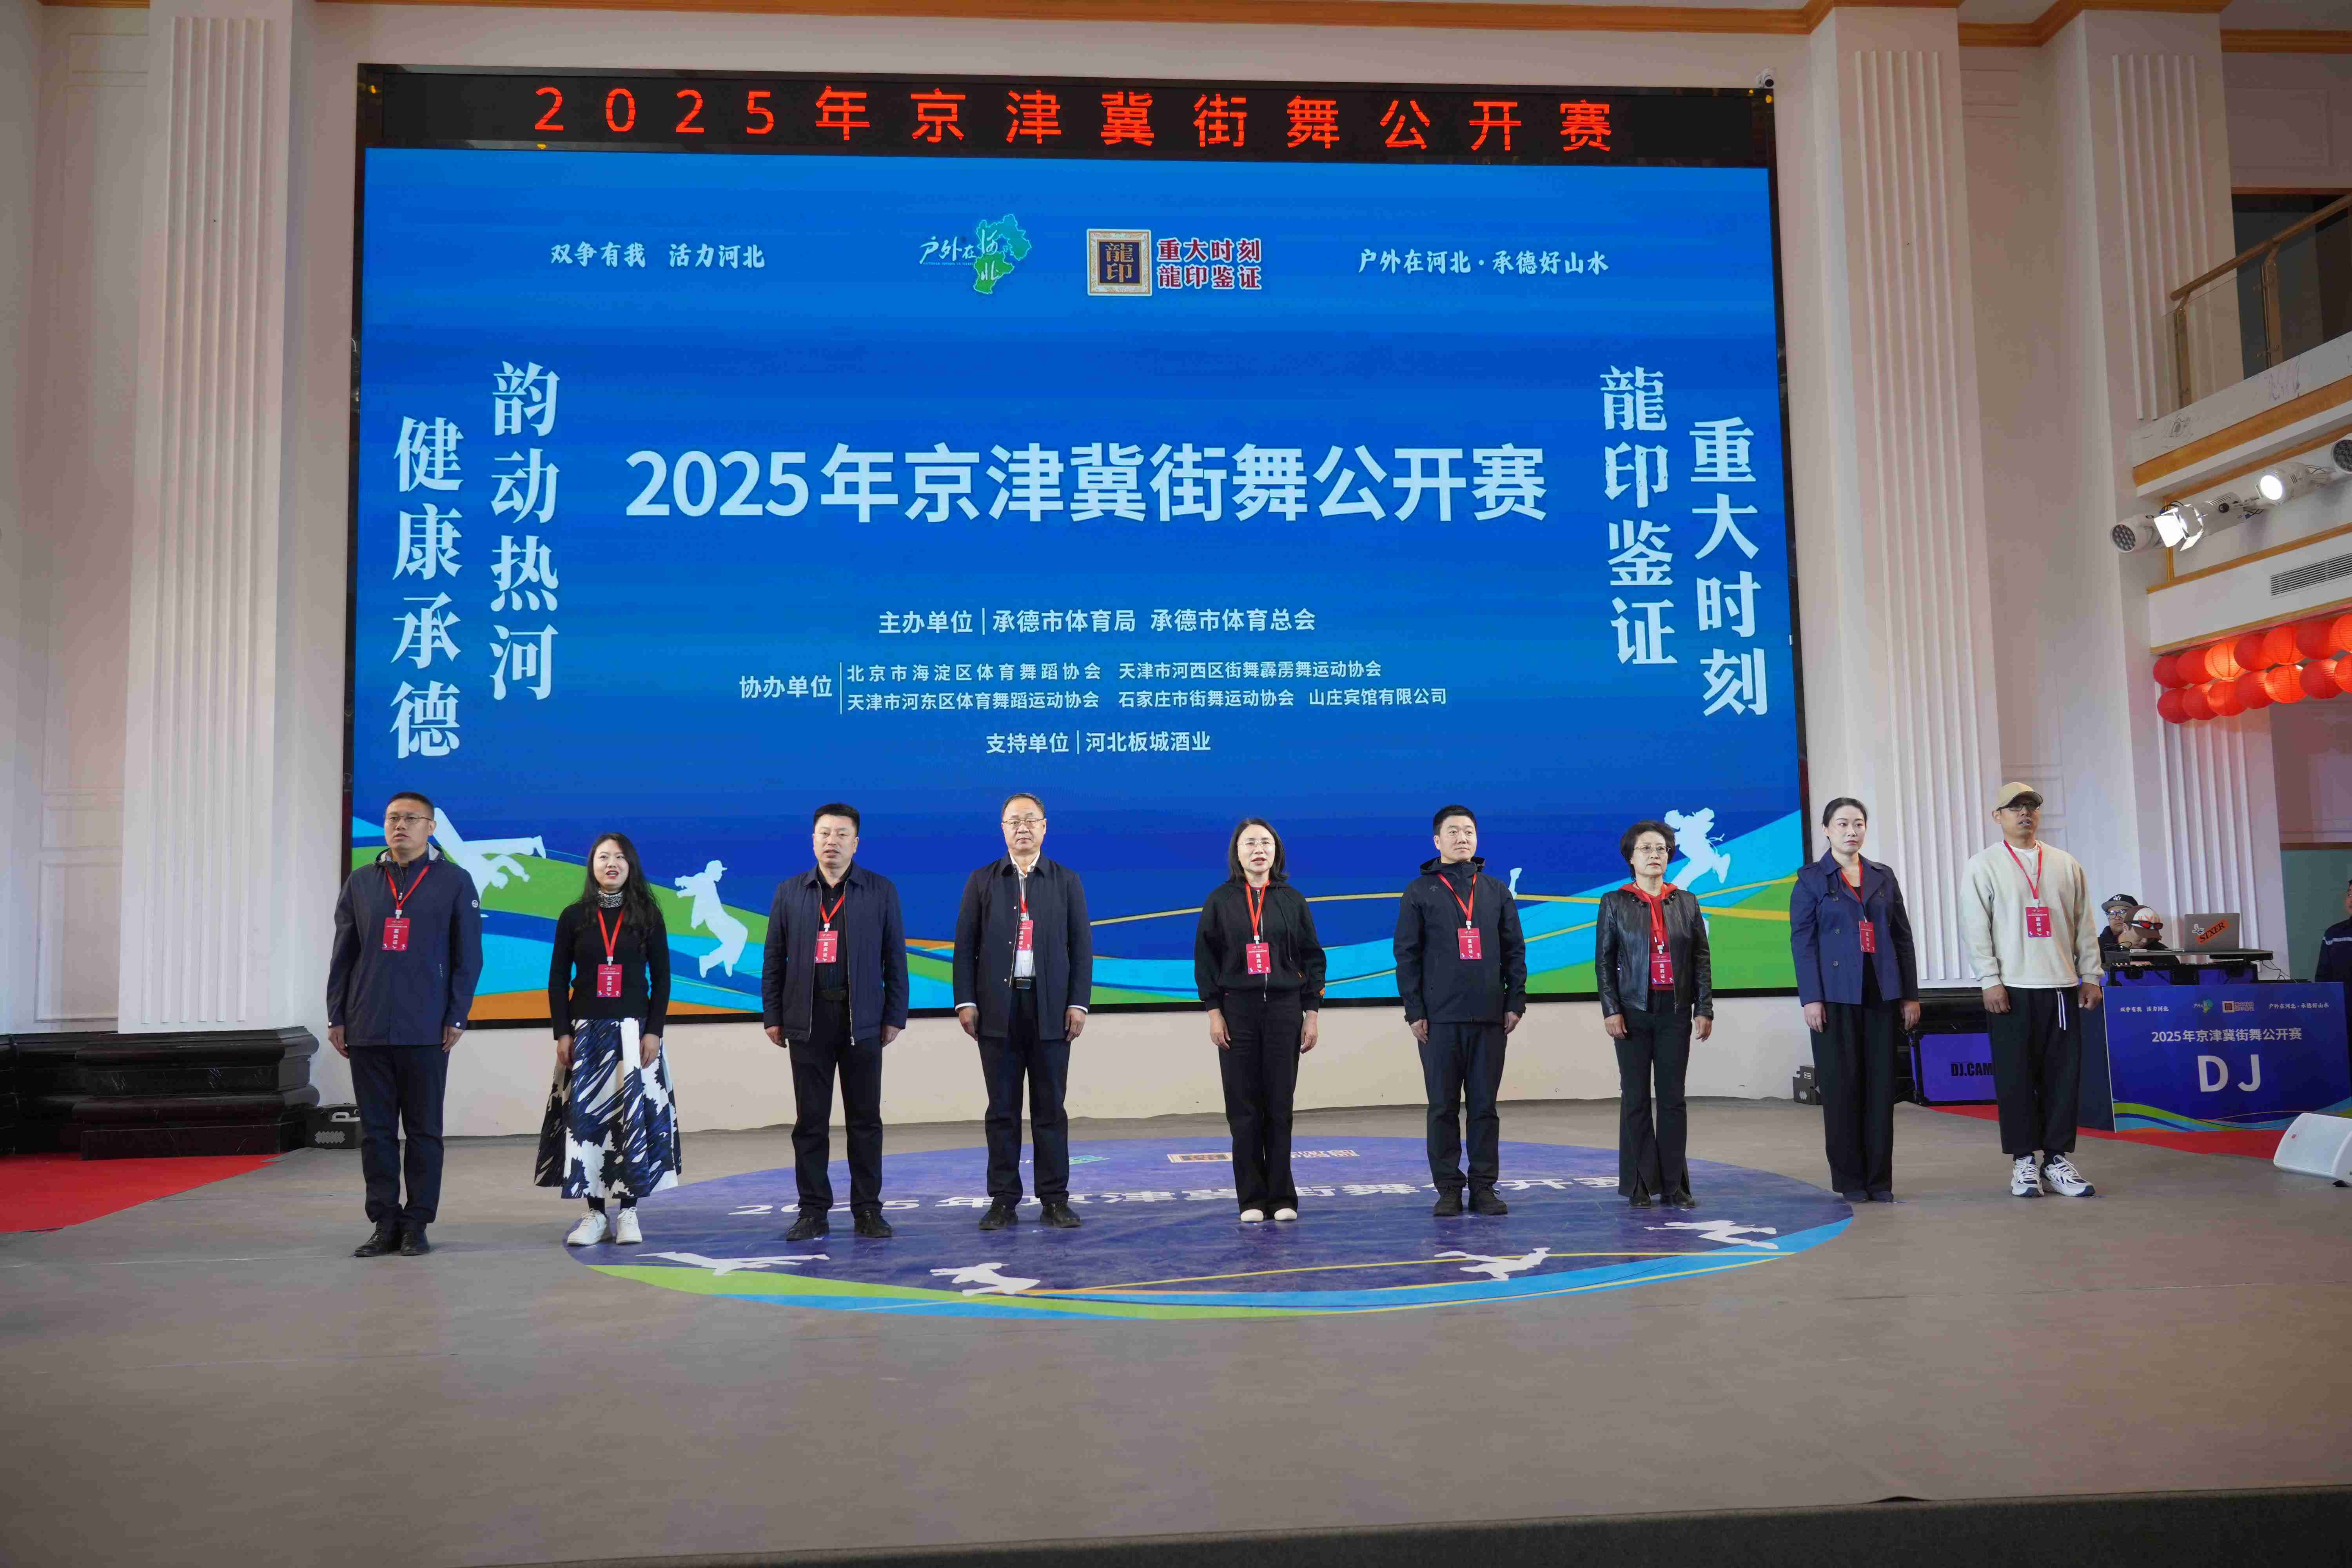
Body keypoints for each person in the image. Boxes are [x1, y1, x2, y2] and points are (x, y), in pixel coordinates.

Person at [326, 791, 483, 1258]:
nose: (400, 825)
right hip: (368, 1025)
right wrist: (337, 1014)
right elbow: (343, 956)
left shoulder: (455, 881)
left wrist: (457, 1014)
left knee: (423, 1132)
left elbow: (468, 958)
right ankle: (384, 1222)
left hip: (426, 1027)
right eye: (393, 818)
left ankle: (417, 1223)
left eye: (411, 818)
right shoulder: (361, 881)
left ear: (430, 828)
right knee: (376, 1133)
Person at [762, 803, 909, 1243]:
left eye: (842, 834)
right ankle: (813, 1211)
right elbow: (774, 958)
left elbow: (895, 958)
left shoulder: (880, 890)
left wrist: (894, 1016)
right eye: (825, 833)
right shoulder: (790, 892)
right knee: (810, 1123)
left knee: (865, 1121)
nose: (833, 841)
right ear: (813, 840)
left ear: (856, 843)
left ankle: (868, 1210)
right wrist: (773, 1015)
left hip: (862, 1021)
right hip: (807, 1022)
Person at [953, 791, 1092, 1231]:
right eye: (1014, 821)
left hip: (1052, 1010)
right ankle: (1003, 1201)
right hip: (998, 1010)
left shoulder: (1066, 880)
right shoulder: (982, 880)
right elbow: (965, 947)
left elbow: (1082, 948)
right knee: (1002, 1110)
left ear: (1045, 827)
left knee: (1051, 1109)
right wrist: (966, 1001)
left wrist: (1078, 1003)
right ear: (1003, 830)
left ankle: (1054, 1199)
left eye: (1031, 820)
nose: (1023, 828)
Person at [1960, 782, 2104, 1200]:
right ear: (1998, 816)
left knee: (2063, 1078)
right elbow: (1975, 927)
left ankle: (2056, 1160)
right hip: (2012, 989)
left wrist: (2091, 974)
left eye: (2031, 806)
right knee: (2016, 1079)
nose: (2025, 813)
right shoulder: (1983, 865)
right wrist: (1989, 979)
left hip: (2061, 986)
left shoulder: (2065, 863)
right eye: (2015, 807)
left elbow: (2084, 924)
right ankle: (2023, 1161)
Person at [1392, 805, 1526, 1217]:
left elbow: (1515, 951)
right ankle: (1449, 1188)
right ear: (1437, 841)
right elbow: (1407, 955)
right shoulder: (1420, 891)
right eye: (1453, 831)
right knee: (1442, 1108)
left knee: (1485, 1108)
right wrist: (1414, 1010)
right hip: (1438, 1021)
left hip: (1490, 1018)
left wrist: (1515, 1001)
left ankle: (1484, 1187)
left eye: (1468, 831)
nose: (1462, 838)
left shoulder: (1496, 890)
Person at [546, 833, 679, 1246]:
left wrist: (654, 1031)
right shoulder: (573, 916)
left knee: (630, 1125)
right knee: (587, 1124)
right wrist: (563, 1032)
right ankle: (594, 1215)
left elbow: (663, 979)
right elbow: (557, 979)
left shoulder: (648, 916)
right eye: (603, 857)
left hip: (634, 1035)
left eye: (620, 857)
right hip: (586, 1035)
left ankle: (629, 1213)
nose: (611, 864)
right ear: (592, 865)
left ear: (630, 865)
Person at [1194, 818, 1328, 1223]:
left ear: (1276, 852)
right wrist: (1214, 1012)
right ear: (1237, 852)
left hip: (1286, 1011)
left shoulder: (1292, 899)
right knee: (1244, 1108)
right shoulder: (1220, 900)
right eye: (1250, 843)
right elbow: (1206, 960)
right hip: (1237, 1011)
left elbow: (1313, 957)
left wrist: (1311, 1014)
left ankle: (1282, 1197)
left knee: (1280, 1107)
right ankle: (1251, 1199)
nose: (1259, 850)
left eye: (1266, 843)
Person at [1788, 798, 1921, 1203]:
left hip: (1881, 993)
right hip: (1834, 997)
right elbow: (1803, 942)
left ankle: (1879, 1181)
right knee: (1841, 1089)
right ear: (1826, 830)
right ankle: (1850, 1180)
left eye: (1858, 823)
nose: (1852, 831)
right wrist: (1811, 998)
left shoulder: (1883, 875)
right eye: (1843, 824)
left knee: (1880, 1089)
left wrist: (1910, 994)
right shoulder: (1811, 879)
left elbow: (1902, 938)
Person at [1595, 820, 1713, 1208]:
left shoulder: (1687, 901)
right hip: (1632, 1012)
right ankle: (1640, 1183)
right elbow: (1604, 962)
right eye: (1646, 849)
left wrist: (1704, 1007)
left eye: (1661, 848)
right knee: (1635, 1098)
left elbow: (1701, 959)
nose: (1655, 855)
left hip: (1675, 1012)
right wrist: (1611, 1009)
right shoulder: (1614, 902)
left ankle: (1675, 1184)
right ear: (1631, 858)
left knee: (1673, 1099)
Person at [2314, 879, 2352, 988]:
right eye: (2350, 895)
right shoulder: (2334, 934)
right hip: (2342, 999)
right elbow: (2323, 978)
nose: (2351, 900)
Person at [2097, 893, 2141, 957]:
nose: (2117, 918)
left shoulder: (2149, 943)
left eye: (2123, 912)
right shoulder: (2096, 946)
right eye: (2112, 913)